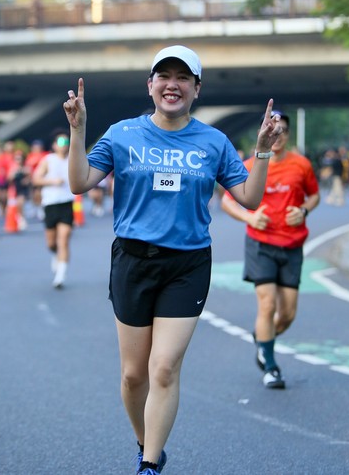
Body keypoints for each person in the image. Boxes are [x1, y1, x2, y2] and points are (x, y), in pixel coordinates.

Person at [63, 45, 284, 475]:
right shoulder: (123, 134)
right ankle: (147, 441)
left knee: (163, 368)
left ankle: (149, 465)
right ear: (150, 85)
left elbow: (250, 198)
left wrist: (261, 150)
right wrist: (78, 130)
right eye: (164, 76)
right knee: (133, 375)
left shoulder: (213, 142)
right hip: (133, 262)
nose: (172, 85)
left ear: (196, 89)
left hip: (187, 265)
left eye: (183, 78)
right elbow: (79, 182)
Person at [221, 110, 320, 389]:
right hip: (260, 243)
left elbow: (314, 195)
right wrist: (249, 218)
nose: (277, 135)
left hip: (292, 245)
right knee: (267, 304)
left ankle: (262, 339)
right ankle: (271, 367)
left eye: (282, 130)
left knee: (287, 315)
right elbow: (227, 201)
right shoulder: (250, 165)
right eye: (271, 129)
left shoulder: (301, 165)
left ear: (287, 135)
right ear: (263, 132)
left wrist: (303, 210)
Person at [32, 131, 75, 289]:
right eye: (61, 143)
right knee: (51, 243)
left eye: (66, 142)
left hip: (66, 203)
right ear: (54, 145)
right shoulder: (48, 160)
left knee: (63, 240)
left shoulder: (73, 159)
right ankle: (55, 254)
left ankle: (60, 276)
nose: (64, 146)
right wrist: (52, 181)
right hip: (50, 204)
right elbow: (36, 179)